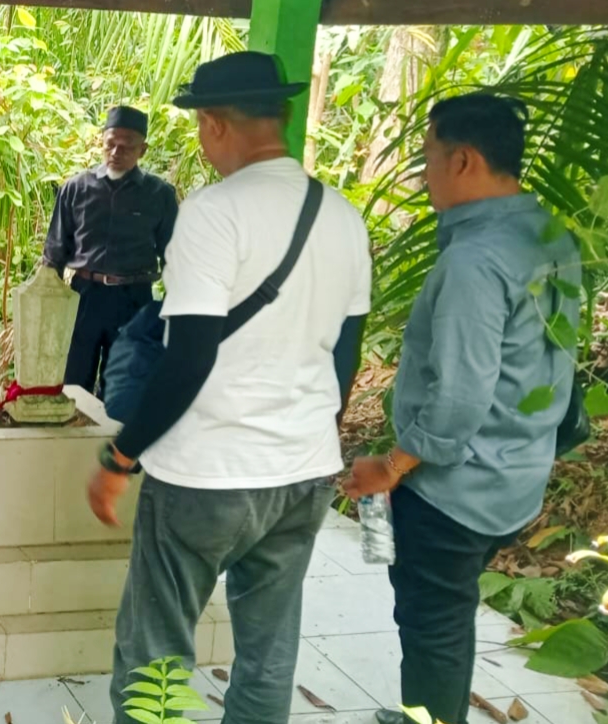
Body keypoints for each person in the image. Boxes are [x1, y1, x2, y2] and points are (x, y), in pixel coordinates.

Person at [86, 52, 372, 724]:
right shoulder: (343, 215)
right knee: (269, 654)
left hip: (206, 477)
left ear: (214, 124)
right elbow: (347, 353)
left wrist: (121, 457)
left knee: (156, 654)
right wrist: (308, 442)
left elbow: (187, 360)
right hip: (302, 475)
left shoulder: (213, 214)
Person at [344, 95, 579, 724]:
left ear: (465, 160)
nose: (424, 175)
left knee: (432, 627)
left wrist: (390, 467)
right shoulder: (550, 234)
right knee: (448, 613)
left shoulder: (476, 261)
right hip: (517, 471)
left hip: (457, 491)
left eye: (428, 158)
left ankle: (430, 717)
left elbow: (457, 400)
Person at [42, 106, 178, 396]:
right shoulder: (76, 189)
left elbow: (175, 257)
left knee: (122, 387)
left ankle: (111, 442)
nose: (116, 152)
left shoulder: (159, 195)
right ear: (101, 142)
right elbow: (54, 251)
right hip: (84, 297)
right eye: (110, 143)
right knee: (73, 384)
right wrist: (49, 307)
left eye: (127, 146)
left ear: (143, 149)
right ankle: (74, 442)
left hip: (134, 301)